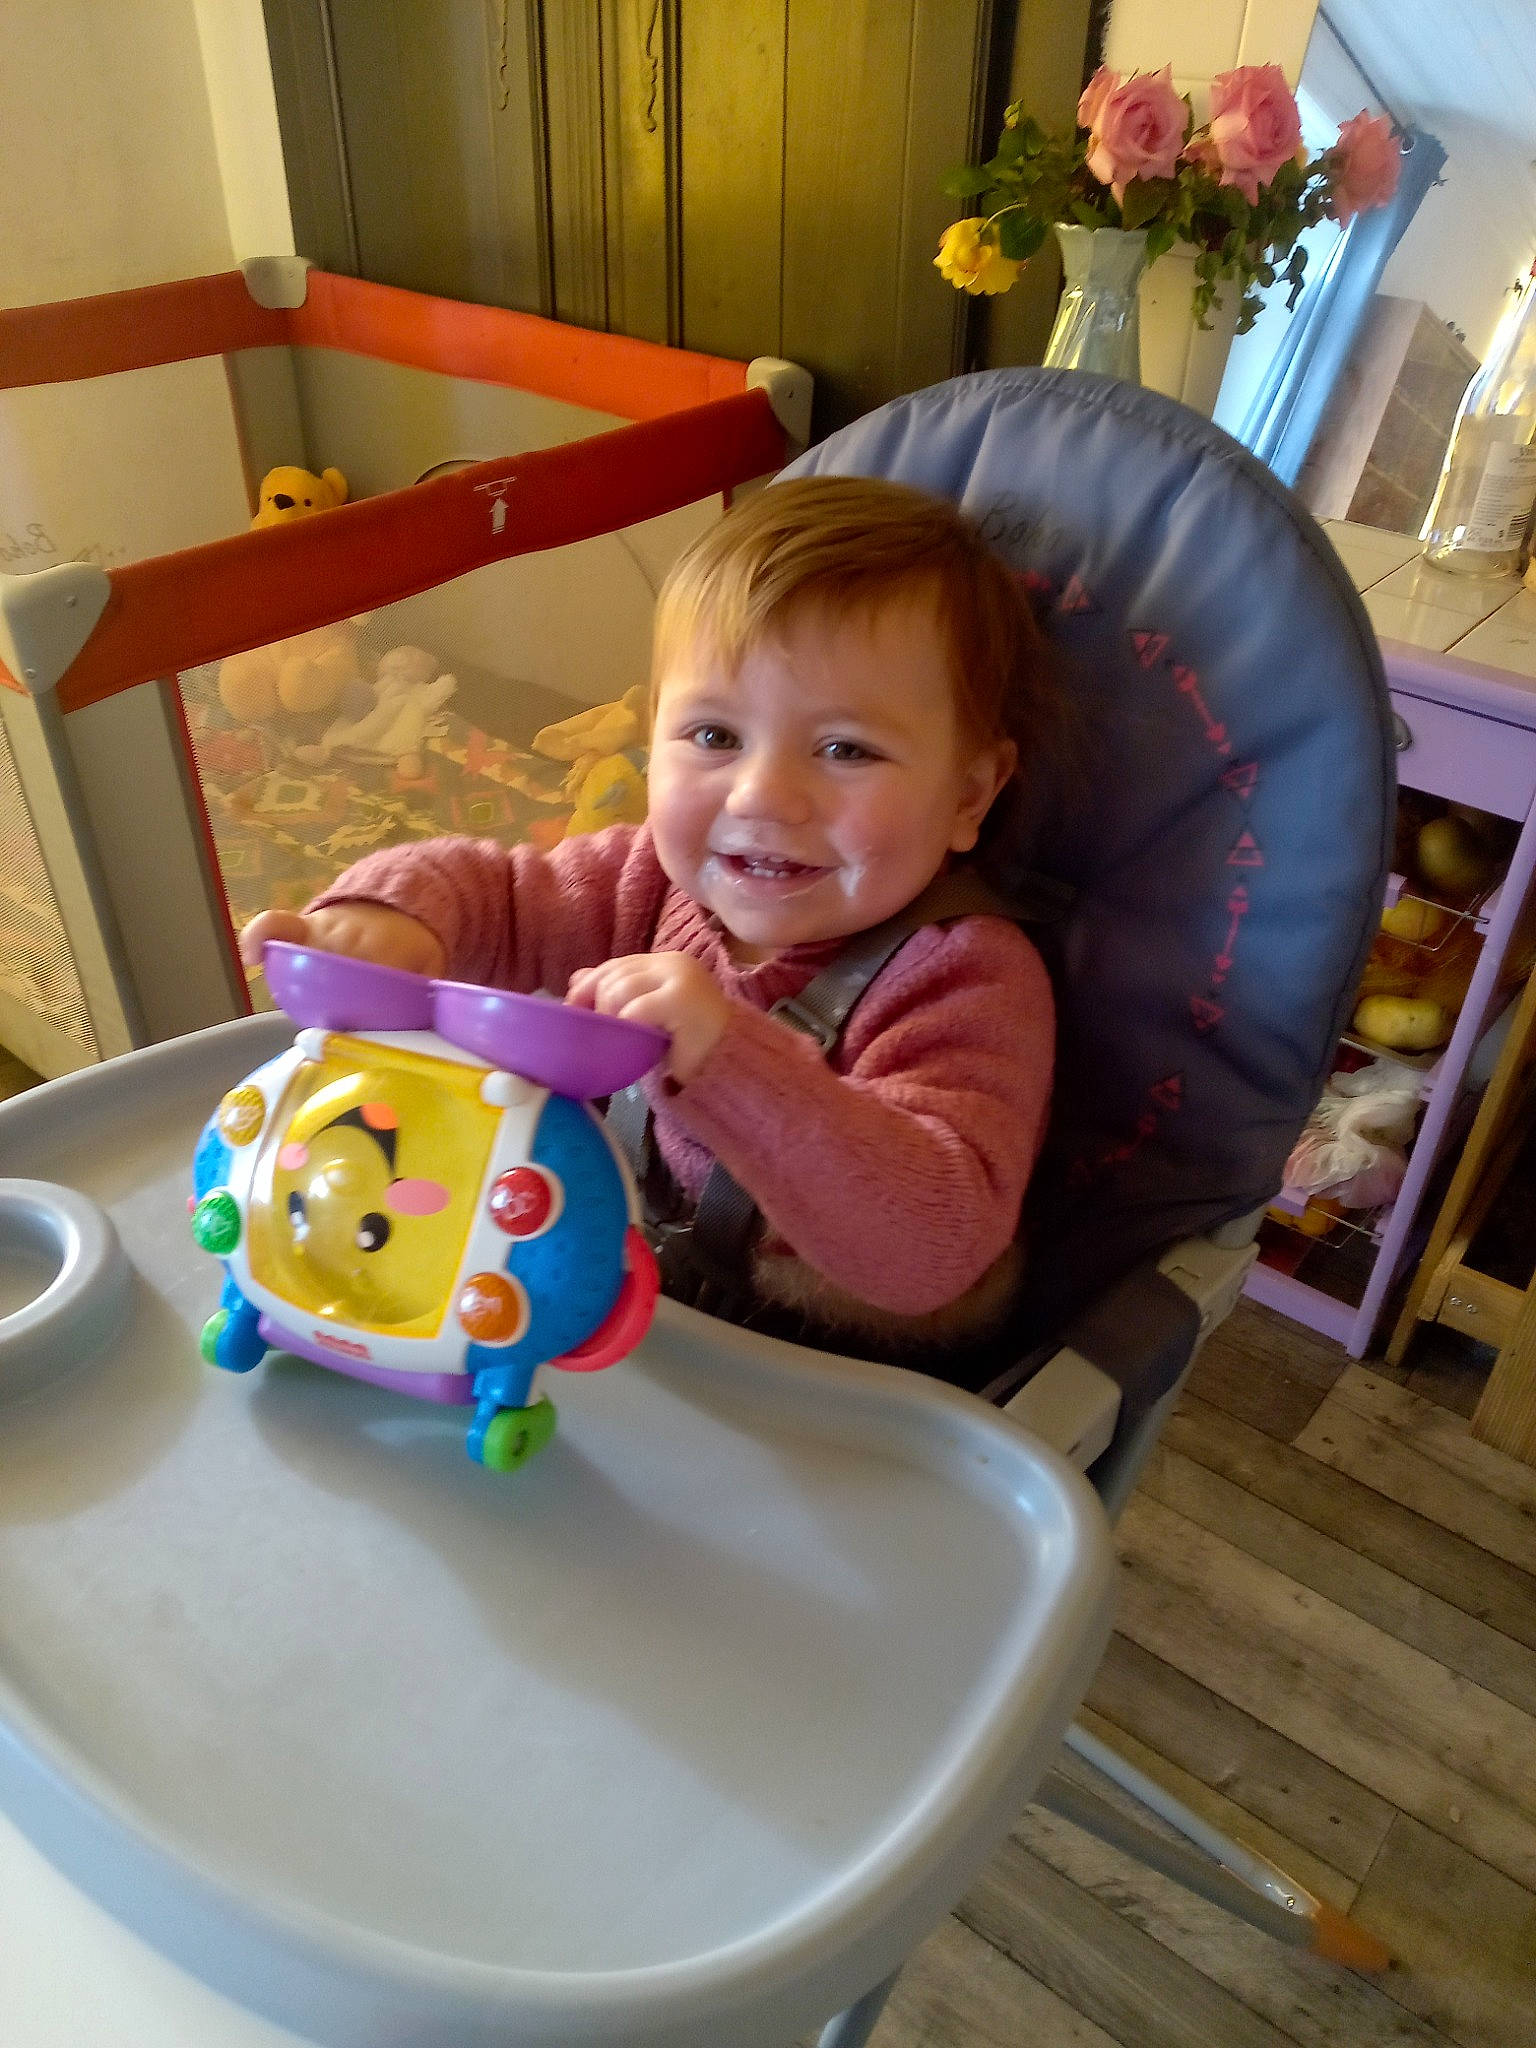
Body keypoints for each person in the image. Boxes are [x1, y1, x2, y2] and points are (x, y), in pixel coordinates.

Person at [239, 477, 1065, 1371]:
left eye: (845, 749)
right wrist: (392, 915)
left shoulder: (968, 979)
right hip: (618, 1323)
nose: (761, 796)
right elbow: (502, 895)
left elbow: (933, 1248)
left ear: (969, 795)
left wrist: (724, 1055)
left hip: (835, 1386)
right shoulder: (647, 882)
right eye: (715, 736)